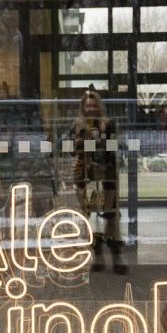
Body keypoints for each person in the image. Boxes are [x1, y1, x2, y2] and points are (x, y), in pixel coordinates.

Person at [72, 88, 126, 274]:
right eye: (87, 105)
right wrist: (82, 140)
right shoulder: (77, 125)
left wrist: (101, 137)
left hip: (107, 174)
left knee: (110, 215)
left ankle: (116, 256)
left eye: (94, 104)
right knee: (90, 216)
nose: (91, 108)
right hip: (85, 175)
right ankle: (97, 256)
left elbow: (115, 147)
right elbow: (70, 148)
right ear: (83, 107)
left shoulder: (108, 124)